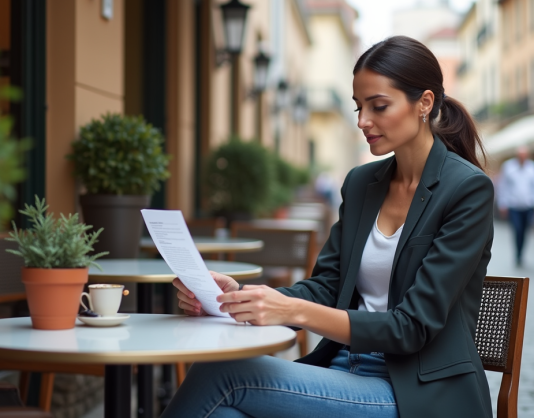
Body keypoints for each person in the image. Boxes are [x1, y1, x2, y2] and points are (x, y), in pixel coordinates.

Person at [162, 36, 494, 418]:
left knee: (222, 375)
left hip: (414, 393)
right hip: (342, 371)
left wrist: (292, 311)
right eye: (358, 107)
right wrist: (241, 298)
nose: (362, 121)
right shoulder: (362, 183)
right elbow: (327, 286)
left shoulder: (466, 190)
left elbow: (412, 327)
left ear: (424, 103)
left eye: (379, 106)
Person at [497, 146, 534, 265]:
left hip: (528, 205)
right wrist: (502, 203)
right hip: (513, 205)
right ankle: (517, 254)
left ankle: (521, 253)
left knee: (524, 231)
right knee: (517, 229)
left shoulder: (531, 168)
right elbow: (503, 186)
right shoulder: (508, 167)